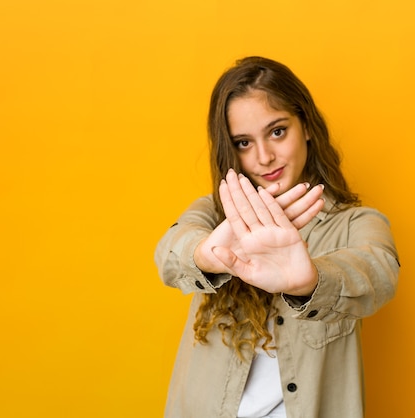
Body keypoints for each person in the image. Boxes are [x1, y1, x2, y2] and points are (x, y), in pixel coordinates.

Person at [155, 56, 400, 418]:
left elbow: (378, 271)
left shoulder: (356, 222)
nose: (264, 157)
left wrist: (311, 280)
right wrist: (210, 254)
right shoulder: (213, 212)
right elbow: (170, 252)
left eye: (277, 131)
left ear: (307, 126)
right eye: (243, 142)